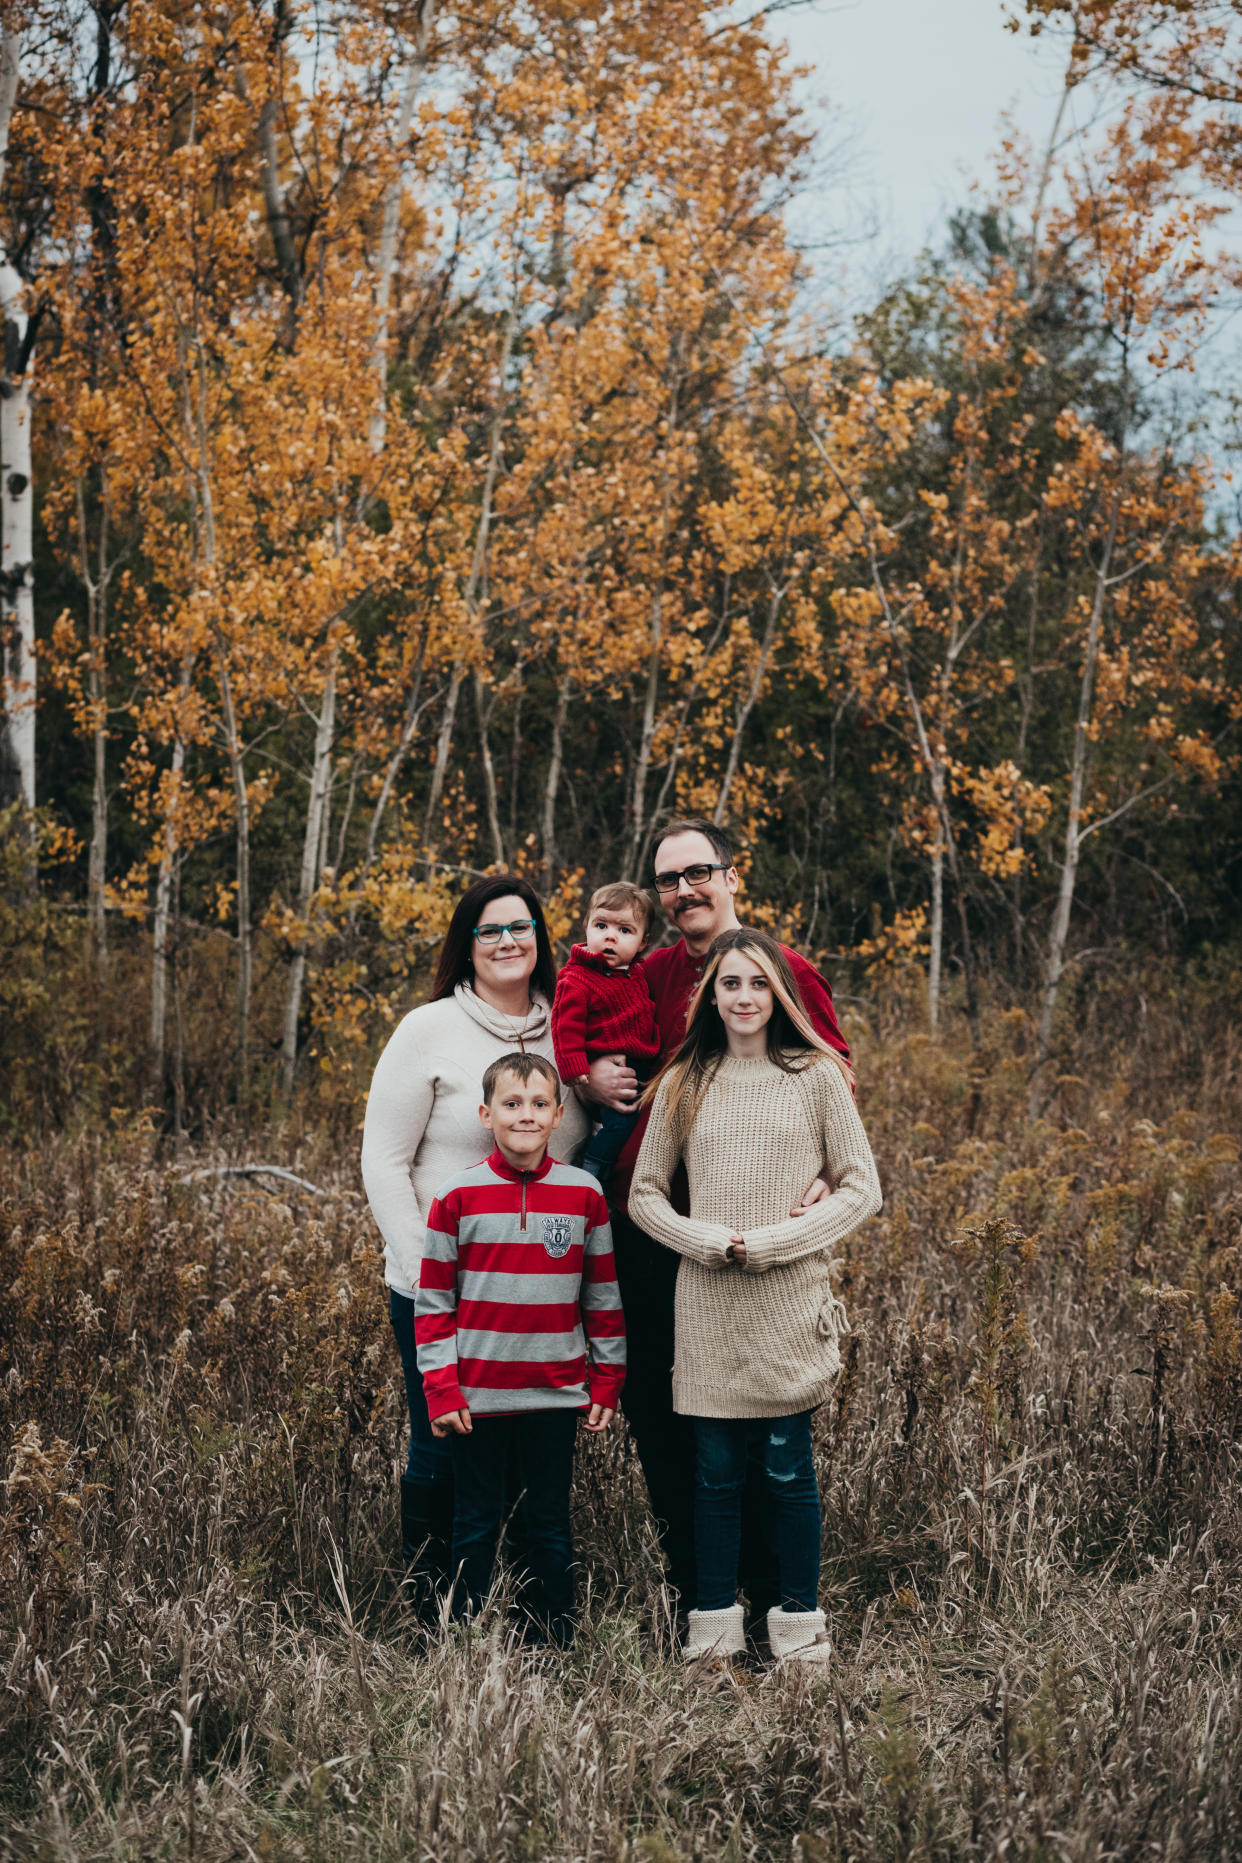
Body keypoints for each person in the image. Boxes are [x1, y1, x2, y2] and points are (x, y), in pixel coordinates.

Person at [584, 818, 852, 1628]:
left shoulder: (782, 969)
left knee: (765, 1421)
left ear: (732, 874)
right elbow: (586, 1020)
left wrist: (820, 1174)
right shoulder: (648, 970)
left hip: (754, 1238)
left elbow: (830, 1072)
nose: (683, 890)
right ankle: (700, 1595)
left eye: (698, 871)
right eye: (668, 880)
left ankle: (777, 1601)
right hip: (652, 1233)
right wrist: (588, 1072)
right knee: (666, 1419)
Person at [630, 929, 881, 1664]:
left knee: (785, 1468)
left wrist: (775, 1242)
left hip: (787, 1297)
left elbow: (862, 1186)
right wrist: (701, 1239)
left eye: (757, 984)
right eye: (729, 983)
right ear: (710, 994)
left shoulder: (816, 1074)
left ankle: (798, 1632)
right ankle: (713, 1635)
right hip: (706, 1299)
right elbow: (644, 1194)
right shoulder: (685, 1079)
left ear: (780, 994)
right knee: (712, 1472)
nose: (743, 997)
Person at [360, 875, 588, 1617]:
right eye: (490, 929)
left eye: (521, 926)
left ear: (540, 938)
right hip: (443, 1287)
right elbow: (384, 1162)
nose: (508, 941)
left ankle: (531, 1610)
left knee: (534, 1454)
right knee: (442, 1441)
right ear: (468, 943)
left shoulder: (569, 1028)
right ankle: (432, 1608)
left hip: (544, 1294)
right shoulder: (427, 1030)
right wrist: (428, 1270)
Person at [415, 1052, 625, 1646]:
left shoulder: (584, 1195)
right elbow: (433, 1305)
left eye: (538, 1104)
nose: (525, 1116)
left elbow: (603, 1298)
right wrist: (442, 1388)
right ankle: (465, 1643)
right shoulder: (455, 1197)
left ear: (559, 1115)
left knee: (548, 1526)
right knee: (475, 1525)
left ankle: (551, 1645)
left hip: (555, 1396)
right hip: (476, 1400)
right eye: (511, 1104)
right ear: (486, 1114)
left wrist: (607, 1379)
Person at [551, 881, 661, 1187]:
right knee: (619, 1123)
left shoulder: (636, 973)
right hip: (606, 1061)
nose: (610, 936)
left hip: (641, 1065)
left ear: (643, 943)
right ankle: (592, 1170)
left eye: (625, 931)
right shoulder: (577, 977)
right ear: (586, 927)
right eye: (601, 925)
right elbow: (565, 1025)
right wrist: (575, 1067)